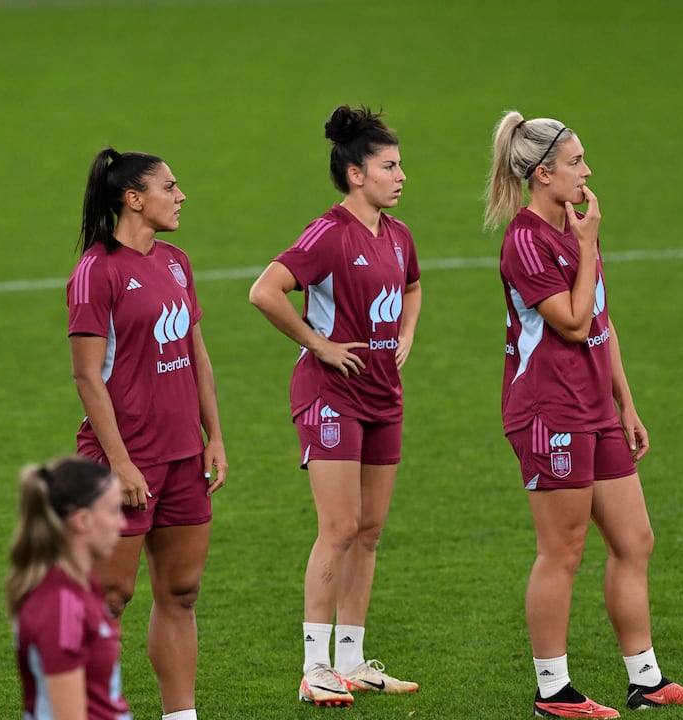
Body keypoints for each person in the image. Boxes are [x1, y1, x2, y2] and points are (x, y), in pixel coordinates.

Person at [484, 110, 683, 718]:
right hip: (547, 410)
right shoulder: (526, 239)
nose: (588, 172)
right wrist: (584, 247)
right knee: (563, 549)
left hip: (594, 406)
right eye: (577, 162)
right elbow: (573, 320)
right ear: (543, 172)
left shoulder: (578, 227)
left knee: (635, 540)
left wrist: (626, 404)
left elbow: (601, 324)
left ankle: (646, 679)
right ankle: (553, 691)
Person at [248, 105, 422, 708]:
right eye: (389, 166)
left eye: (401, 165)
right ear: (355, 174)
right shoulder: (328, 234)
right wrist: (318, 345)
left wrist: (406, 335)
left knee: (369, 531)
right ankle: (314, 665)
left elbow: (413, 286)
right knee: (340, 527)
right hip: (329, 395)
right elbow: (264, 291)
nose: (401, 176)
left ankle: (351, 660)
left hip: (381, 395)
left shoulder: (397, 236)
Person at [67, 147, 228, 720]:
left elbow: (196, 355)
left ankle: (180, 715)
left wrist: (214, 435)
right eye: (170, 186)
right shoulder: (96, 272)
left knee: (181, 593)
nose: (180, 195)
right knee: (108, 599)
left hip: (184, 457)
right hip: (123, 463)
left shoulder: (177, 262)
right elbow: (87, 375)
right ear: (134, 199)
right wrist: (121, 463)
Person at [8, 456, 131, 720]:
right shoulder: (61, 607)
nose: (122, 524)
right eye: (112, 512)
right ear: (82, 520)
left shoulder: (81, 586)